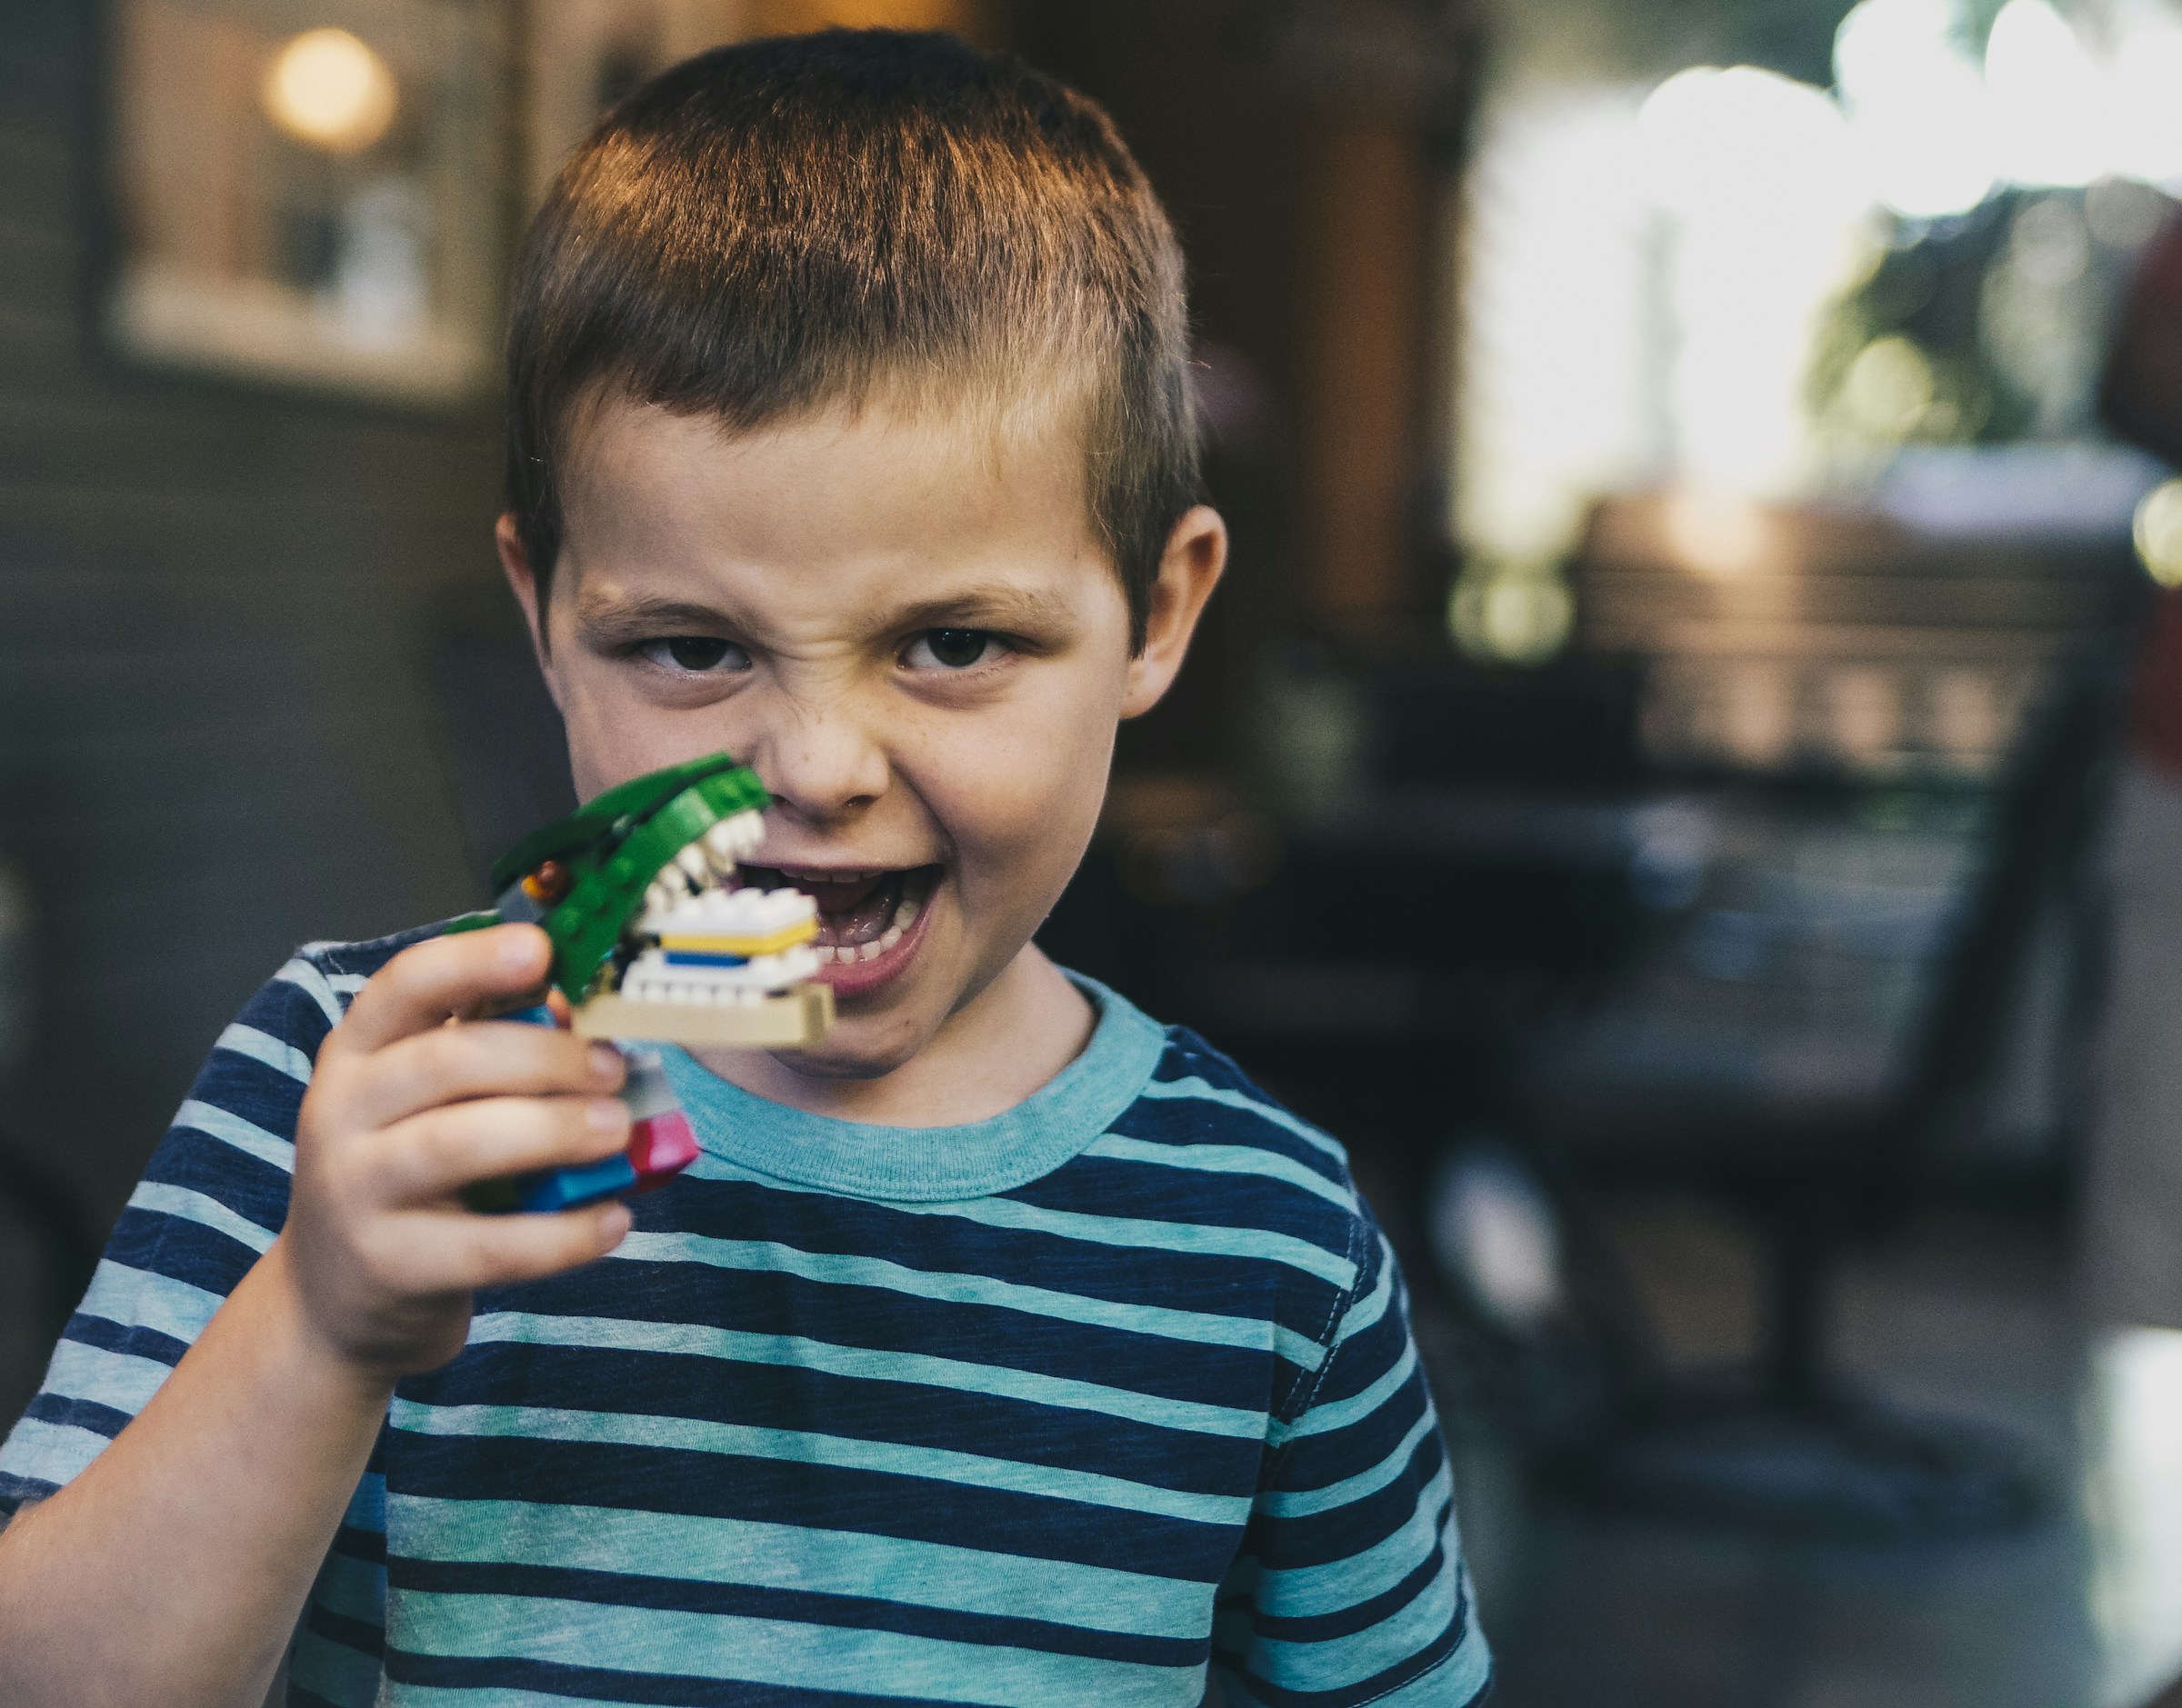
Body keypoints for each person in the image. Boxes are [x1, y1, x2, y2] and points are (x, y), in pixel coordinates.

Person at [0, 32, 1490, 1708]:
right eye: (692, 648)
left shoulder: (1272, 1241)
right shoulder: (352, 1094)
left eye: (953, 641)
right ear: (546, 617)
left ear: (1155, 615)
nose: (817, 768)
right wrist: (322, 1326)